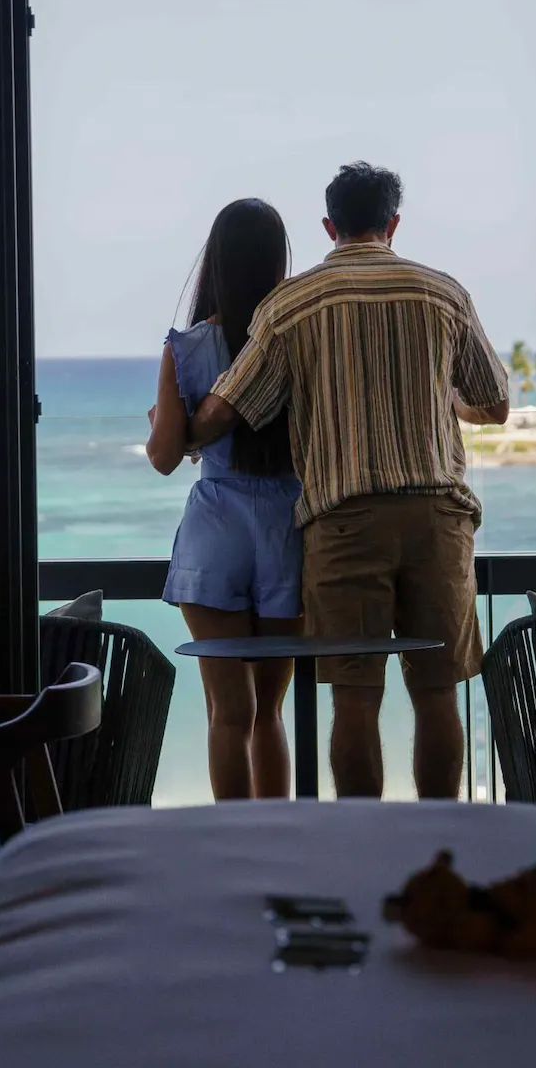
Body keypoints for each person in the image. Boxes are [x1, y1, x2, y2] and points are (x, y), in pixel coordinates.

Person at [186, 162, 509, 799]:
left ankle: (361, 840)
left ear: (329, 225)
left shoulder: (292, 303)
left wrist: (177, 432)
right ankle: (437, 835)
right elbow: (494, 402)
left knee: (356, 698)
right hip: (438, 519)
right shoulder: (443, 293)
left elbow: (229, 407)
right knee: (437, 691)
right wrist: (449, 404)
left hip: (344, 521)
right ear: (394, 222)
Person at [145, 198, 302, 800]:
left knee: (226, 712)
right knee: (270, 711)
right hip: (287, 525)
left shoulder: (190, 347)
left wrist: (165, 416)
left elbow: (163, 457)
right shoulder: (295, 341)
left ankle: (231, 848)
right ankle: (280, 846)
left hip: (216, 526)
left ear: (215, 261)